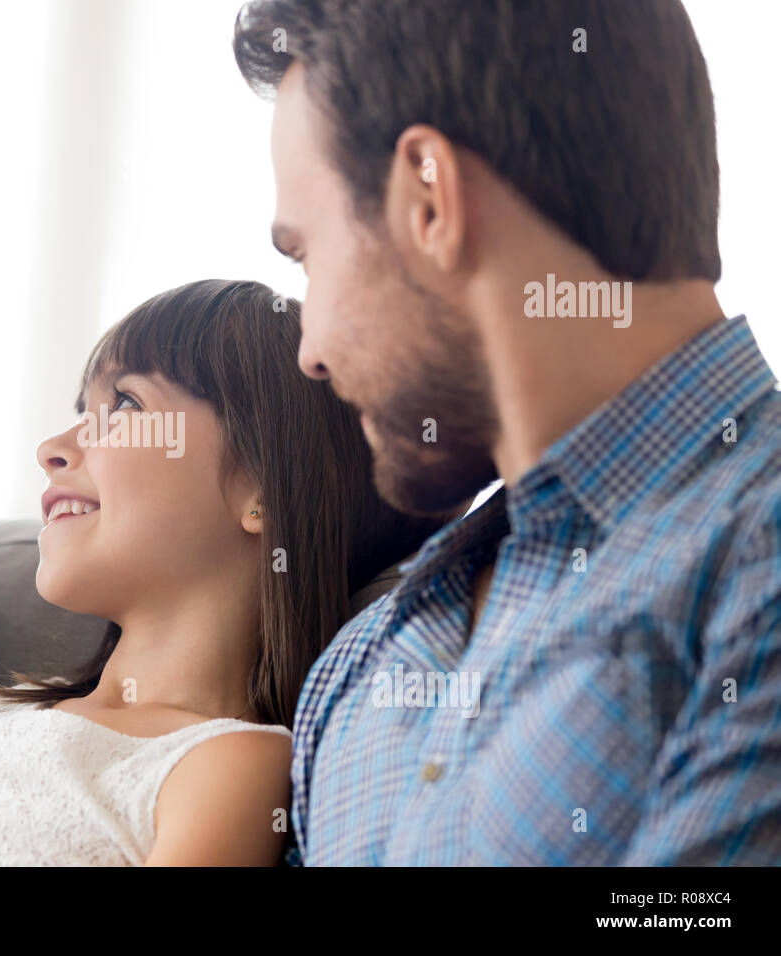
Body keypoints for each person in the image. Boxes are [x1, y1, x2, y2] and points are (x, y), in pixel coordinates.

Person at [233, 0, 781, 864]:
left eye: (305, 256)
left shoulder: (755, 557)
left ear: (429, 200)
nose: (309, 353)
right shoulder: (363, 660)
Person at [0, 279, 457, 865]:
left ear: (263, 489)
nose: (54, 449)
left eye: (126, 408)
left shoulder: (229, 767)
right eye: (82, 412)